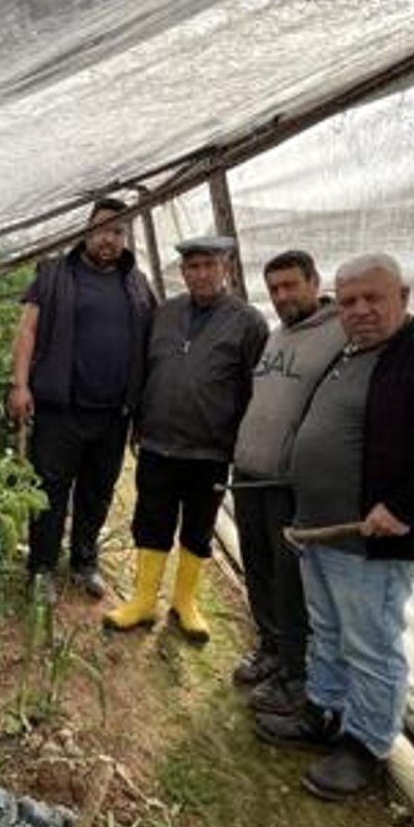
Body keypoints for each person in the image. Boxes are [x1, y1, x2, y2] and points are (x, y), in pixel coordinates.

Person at [256, 252, 414, 800]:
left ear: (404, 297)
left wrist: (404, 504)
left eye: (374, 298)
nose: (361, 310)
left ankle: (366, 745)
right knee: (328, 630)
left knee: (371, 643)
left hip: (372, 539)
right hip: (321, 530)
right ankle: (324, 712)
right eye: (349, 302)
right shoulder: (348, 355)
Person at [103, 236, 268, 643]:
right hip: (159, 441)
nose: (200, 273)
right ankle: (143, 600)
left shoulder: (248, 322)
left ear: (225, 268)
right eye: (192, 267)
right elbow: (145, 367)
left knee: (198, 525)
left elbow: (255, 388)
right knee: (152, 518)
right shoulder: (166, 313)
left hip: (210, 448)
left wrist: (238, 440)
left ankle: (185, 601)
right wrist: (139, 422)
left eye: (209, 265)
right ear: (183, 272)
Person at [8, 198, 157, 602]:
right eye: (103, 229)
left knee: (98, 490)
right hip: (61, 409)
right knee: (50, 490)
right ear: (86, 230)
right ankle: (41, 567)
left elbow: (150, 346)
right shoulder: (55, 273)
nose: (109, 238)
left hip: (113, 413)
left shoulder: (137, 283)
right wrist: (19, 385)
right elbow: (27, 331)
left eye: (118, 231)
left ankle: (84, 562)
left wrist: (142, 411)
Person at [229, 250, 344, 716]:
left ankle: (297, 676)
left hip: (288, 483)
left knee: (290, 580)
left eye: (290, 286)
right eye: (273, 289)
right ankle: (270, 650)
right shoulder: (278, 336)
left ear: (314, 282)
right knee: (257, 566)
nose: (281, 297)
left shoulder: (339, 334)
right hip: (251, 474)